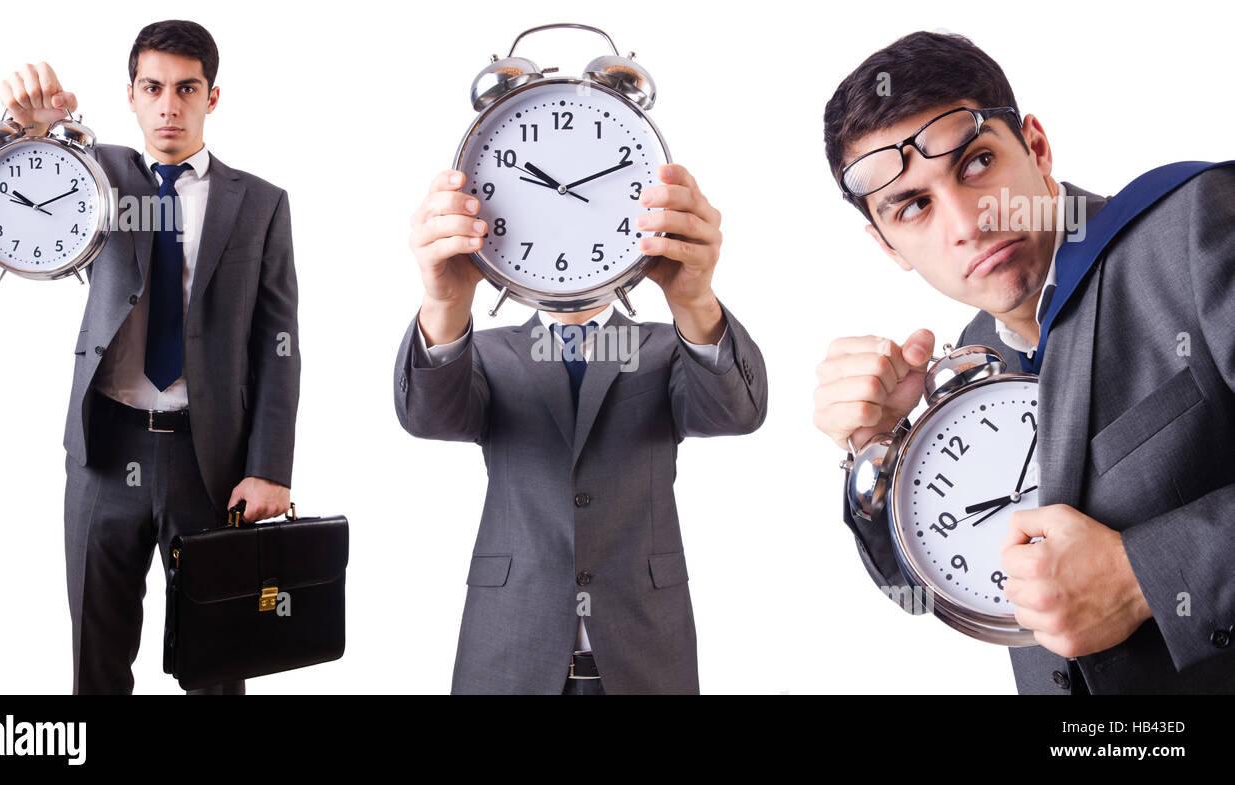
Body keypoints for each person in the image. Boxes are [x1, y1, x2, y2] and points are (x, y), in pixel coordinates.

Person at [812, 31, 1235, 693]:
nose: (967, 221)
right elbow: (933, 595)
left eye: (976, 163)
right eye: (914, 205)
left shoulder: (1194, 227)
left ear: (1035, 148)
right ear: (887, 244)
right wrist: (881, 455)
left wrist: (1144, 575)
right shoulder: (971, 355)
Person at [0, 19, 300, 694]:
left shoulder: (260, 204)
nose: (169, 104)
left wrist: (269, 467)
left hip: (210, 459)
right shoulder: (96, 177)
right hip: (108, 449)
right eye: (153, 87)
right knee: (96, 659)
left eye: (186, 88)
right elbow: (24, 191)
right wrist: (32, 131)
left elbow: (279, 346)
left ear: (211, 98)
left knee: (219, 664)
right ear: (131, 95)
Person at [395, 163, 767, 694]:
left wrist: (694, 302)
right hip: (509, 650)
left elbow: (736, 413)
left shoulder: (665, 346)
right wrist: (446, 304)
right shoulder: (490, 354)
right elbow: (427, 418)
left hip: (644, 655)